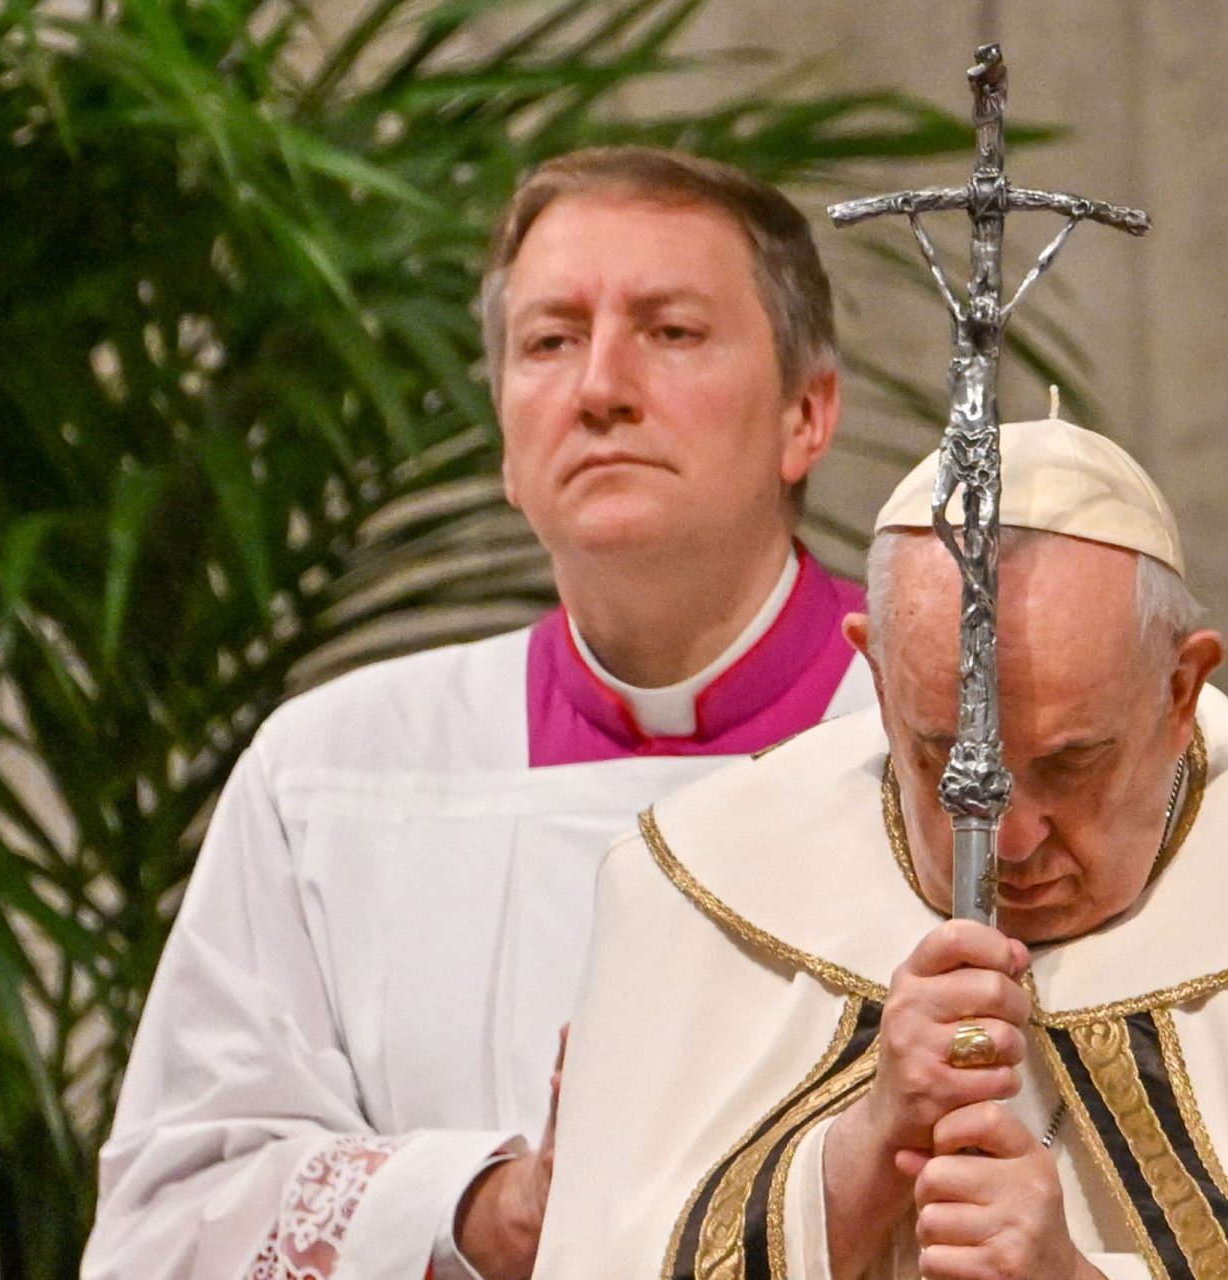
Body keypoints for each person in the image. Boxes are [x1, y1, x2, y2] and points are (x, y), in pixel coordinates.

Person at [534, 415, 1228, 1279]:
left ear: (1184, 685)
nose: (1006, 836)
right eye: (945, 762)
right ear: (870, 670)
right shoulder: (694, 886)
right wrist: (863, 1156)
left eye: (1072, 763)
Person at [84, 146, 876, 1280]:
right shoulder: (331, 775)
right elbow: (164, 1223)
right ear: (509, 440)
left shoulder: (971, 749)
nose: (601, 386)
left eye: (671, 331)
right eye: (550, 341)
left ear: (808, 413)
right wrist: (483, 1205)